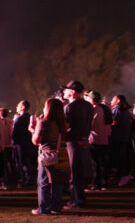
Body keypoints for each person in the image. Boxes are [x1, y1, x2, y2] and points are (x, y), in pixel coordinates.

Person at [32, 97, 69, 214]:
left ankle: (43, 208)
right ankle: (56, 207)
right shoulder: (63, 124)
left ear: (48, 108)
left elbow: (36, 141)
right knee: (57, 181)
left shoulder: (43, 122)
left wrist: (33, 130)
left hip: (47, 155)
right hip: (61, 154)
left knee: (43, 182)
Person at [62, 80, 94, 208]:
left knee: (74, 171)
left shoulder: (69, 107)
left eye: (66, 89)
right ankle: (77, 198)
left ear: (73, 92)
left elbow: (65, 126)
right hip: (84, 140)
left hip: (73, 141)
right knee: (80, 171)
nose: (64, 91)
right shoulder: (87, 105)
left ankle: (77, 200)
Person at [86, 91, 112, 191]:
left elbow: (91, 125)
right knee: (103, 162)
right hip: (105, 138)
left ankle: (96, 184)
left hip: (95, 139)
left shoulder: (94, 109)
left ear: (91, 99)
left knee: (95, 163)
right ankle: (104, 182)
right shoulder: (105, 108)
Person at [109, 95, 132, 186]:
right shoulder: (125, 111)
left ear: (118, 100)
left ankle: (120, 176)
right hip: (124, 137)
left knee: (118, 157)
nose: (111, 101)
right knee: (122, 157)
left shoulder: (118, 110)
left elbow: (114, 122)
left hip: (117, 137)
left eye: (113, 99)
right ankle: (122, 175)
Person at [12, 100, 35, 188]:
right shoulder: (30, 117)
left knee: (22, 162)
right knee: (28, 161)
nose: (17, 107)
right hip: (29, 142)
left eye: (18, 105)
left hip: (20, 144)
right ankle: (30, 178)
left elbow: (15, 132)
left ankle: (25, 179)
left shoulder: (19, 118)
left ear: (23, 107)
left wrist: (13, 143)